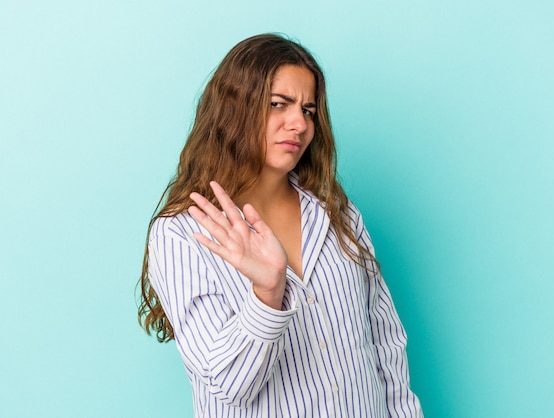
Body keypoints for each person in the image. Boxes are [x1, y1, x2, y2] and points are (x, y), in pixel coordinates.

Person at [138, 33, 423, 418]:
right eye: (278, 105)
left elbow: (385, 343)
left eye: (308, 110)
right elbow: (229, 386)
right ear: (234, 109)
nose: (299, 124)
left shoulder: (339, 214)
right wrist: (268, 293)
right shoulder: (181, 235)